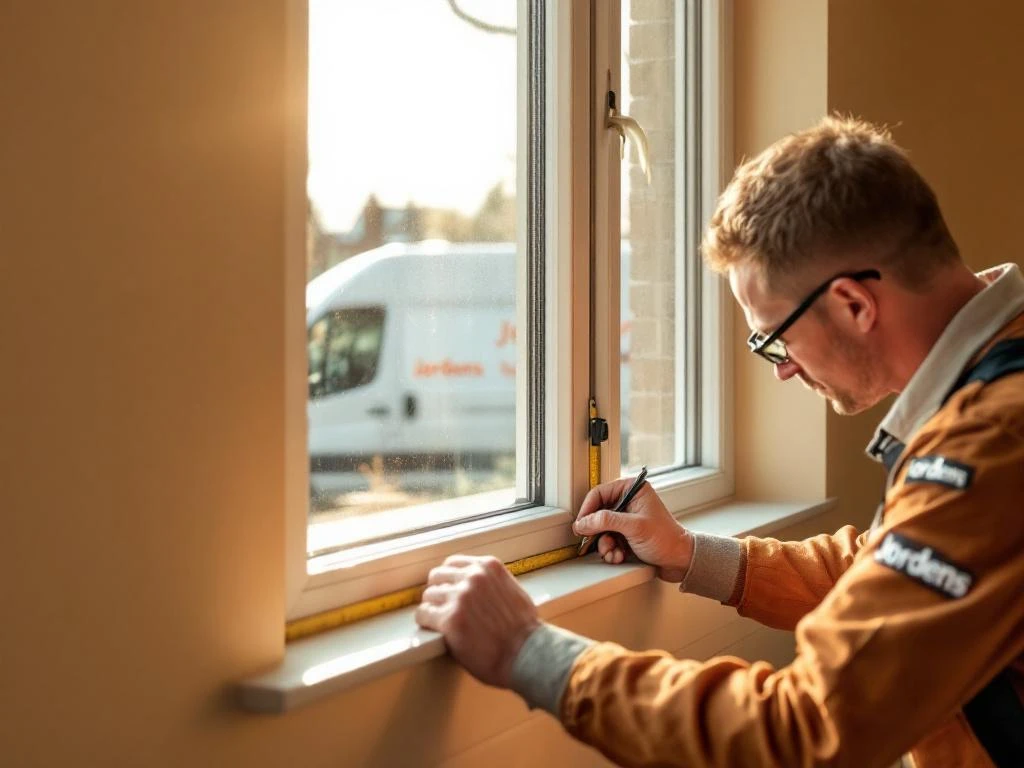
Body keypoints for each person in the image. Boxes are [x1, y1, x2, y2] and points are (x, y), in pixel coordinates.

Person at [414, 117, 1024, 767]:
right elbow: (880, 577)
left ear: (853, 304)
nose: (783, 367)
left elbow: (800, 730)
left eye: (774, 338)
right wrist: (686, 554)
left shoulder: (992, 443)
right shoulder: (993, 380)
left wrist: (526, 652)